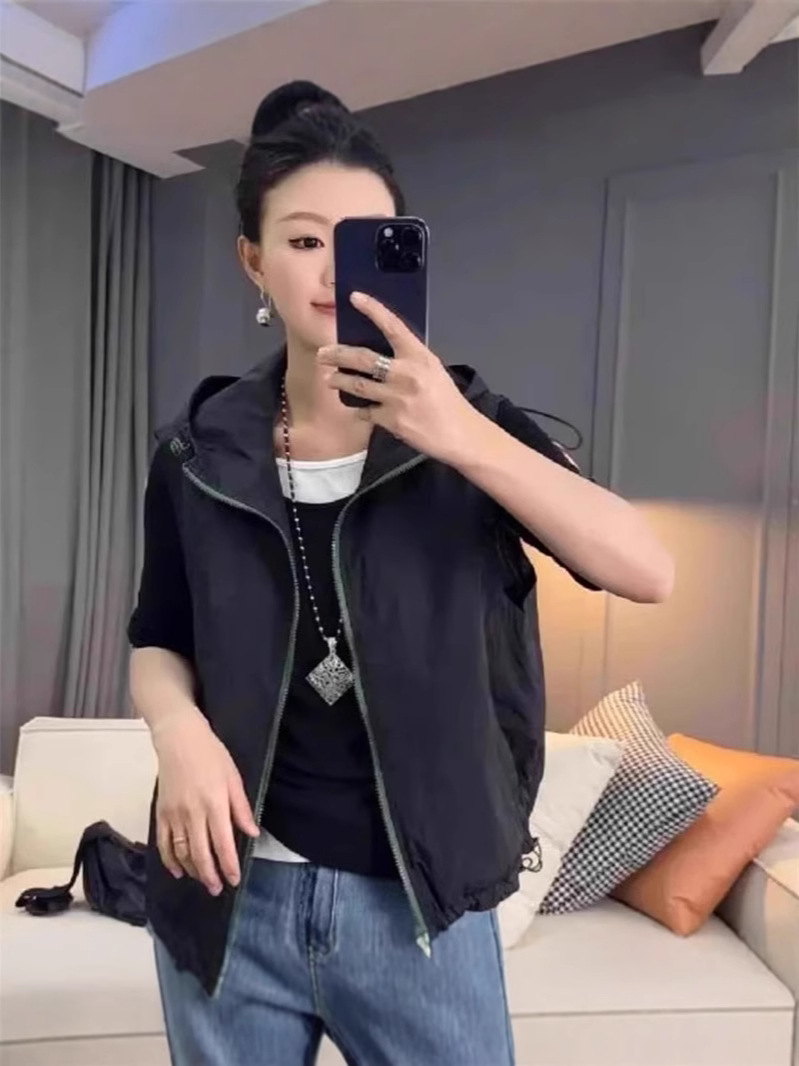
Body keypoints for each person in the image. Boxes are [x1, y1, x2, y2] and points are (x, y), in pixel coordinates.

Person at [128, 80, 674, 1066]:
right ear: (253, 261)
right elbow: (157, 637)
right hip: (227, 898)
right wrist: (179, 733)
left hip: (419, 909)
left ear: (403, 252)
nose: (333, 270)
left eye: (363, 240)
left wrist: (458, 434)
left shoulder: (471, 427)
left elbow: (645, 569)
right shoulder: (196, 448)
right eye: (303, 240)